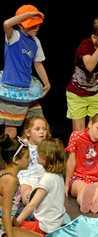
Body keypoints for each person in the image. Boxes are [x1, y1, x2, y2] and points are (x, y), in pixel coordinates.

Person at [0, 4, 51, 139]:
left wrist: (47, 83)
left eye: (38, 25)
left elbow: (38, 64)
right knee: (11, 130)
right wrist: (27, 16)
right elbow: (6, 24)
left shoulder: (36, 42)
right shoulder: (14, 36)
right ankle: (7, 158)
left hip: (28, 90)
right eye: (32, 25)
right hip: (12, 90)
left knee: (39, 123)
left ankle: (30, 155)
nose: (36, 28)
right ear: (21, 25)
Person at [66, 17, 98, 131]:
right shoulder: (85, 46)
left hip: (97, 93)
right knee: (78, 132)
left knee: (97, 129)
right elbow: (90, 66)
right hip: (77, 93)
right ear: (94, 37)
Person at [14, 138, 67, 236]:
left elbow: (31, 206)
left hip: (44, 226)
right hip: (56, 222)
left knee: (12, 228)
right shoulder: (58, 175)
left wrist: (17, 222)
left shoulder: (47, 178)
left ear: (44, 157)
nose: (36, 155)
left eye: (38, 153)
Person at [65, 112, 98, 214]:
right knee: (81, 187)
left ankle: (94, 205)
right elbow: (71, 161)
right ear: (90, 124)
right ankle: (84, 203)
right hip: (78, 177)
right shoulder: (76, 136)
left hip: (96, 177)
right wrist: (66, 184)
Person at [0, 134, 40, 237]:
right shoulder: (10, 181)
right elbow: (6, 213)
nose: (30, 160)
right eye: (27, 157)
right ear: (15, 160)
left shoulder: (8, 175)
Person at [17, 116, 50, 205]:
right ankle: (29, 200)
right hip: (26, 178)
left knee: (48, 191)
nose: (42, 132)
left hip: (42, 179)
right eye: (37, 129)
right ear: (28, 132)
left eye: (44, 129)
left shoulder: (48, 147)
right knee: (25, 190)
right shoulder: (24, 146)